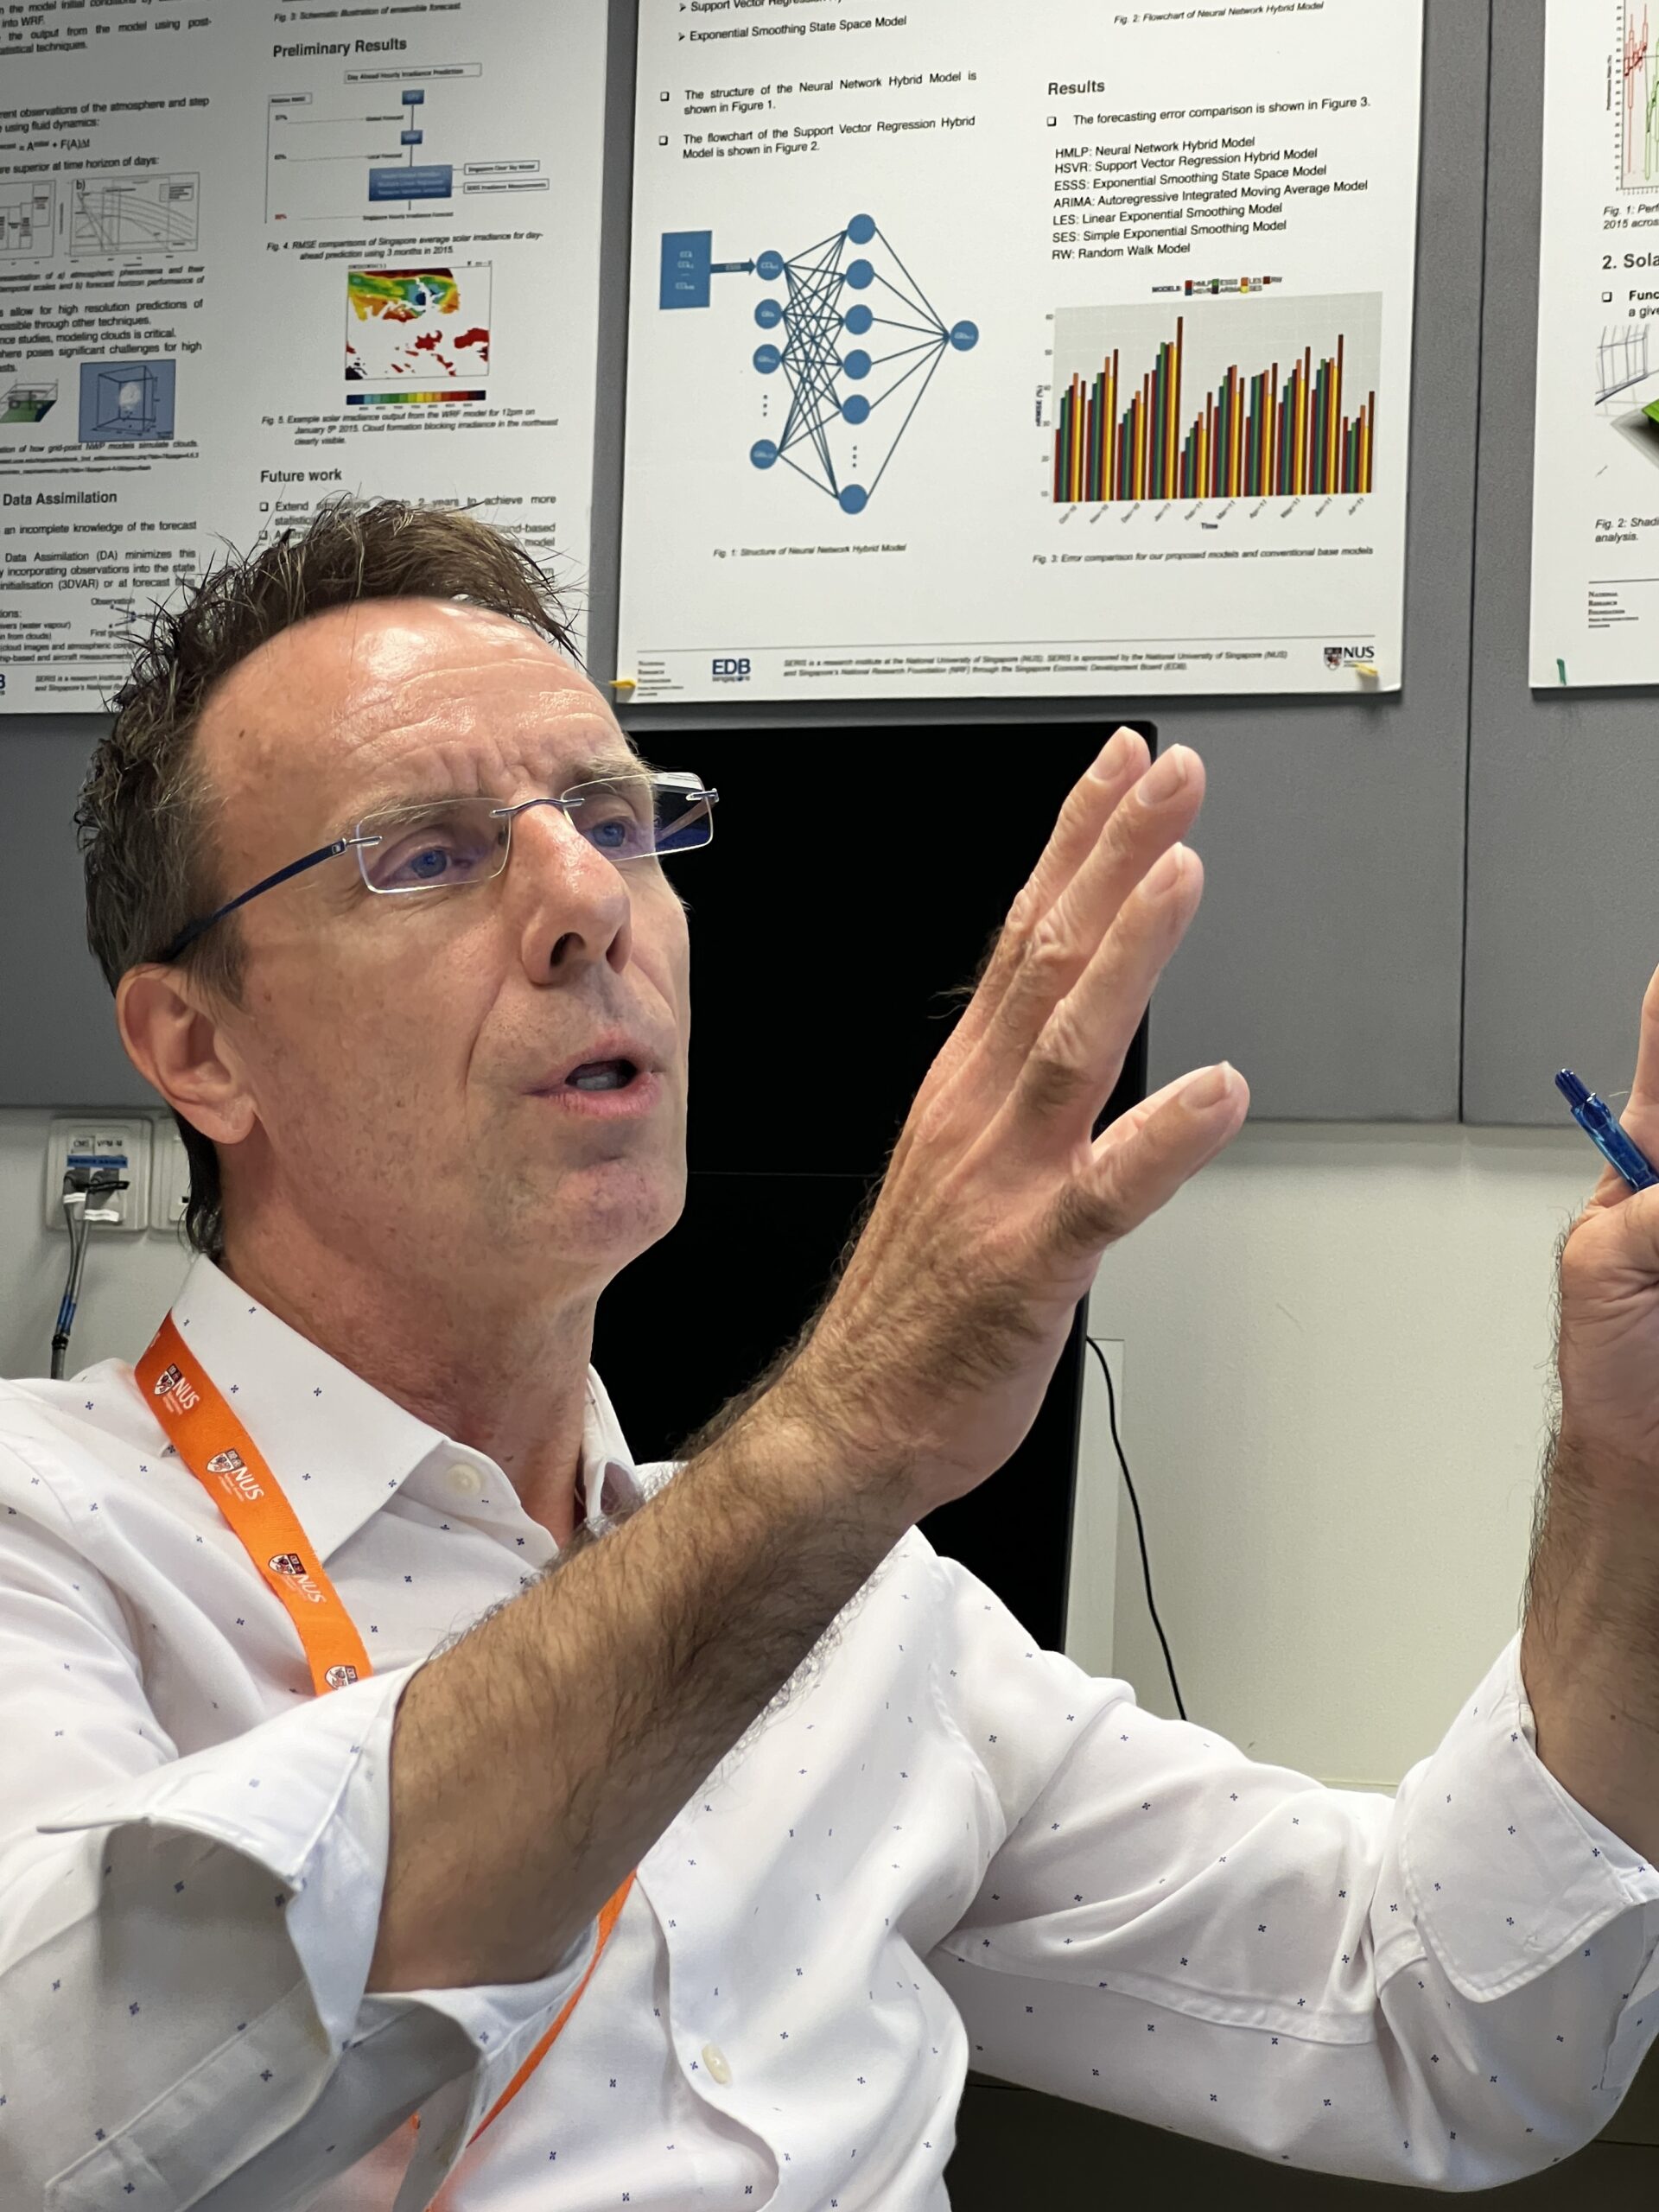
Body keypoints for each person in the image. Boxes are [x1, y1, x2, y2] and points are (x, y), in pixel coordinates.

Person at [1, 500, 1656, 2211]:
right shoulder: (49, 1529)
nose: (588, 899)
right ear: (196, 1041)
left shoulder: (862, 1615)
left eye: (619, 818)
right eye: (423, 850)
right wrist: (851, 1433)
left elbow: (1445, 2028)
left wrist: (1630, 1463)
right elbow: (67, 2116)